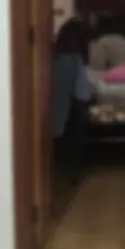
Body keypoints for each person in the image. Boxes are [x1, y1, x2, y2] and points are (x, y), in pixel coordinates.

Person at [53, 18, 93, 181]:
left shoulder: (48, 55)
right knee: (82, 110)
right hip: (63, 120)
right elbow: (83, 94)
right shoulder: (75, 60)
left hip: (44, 116)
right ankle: (75, 168)